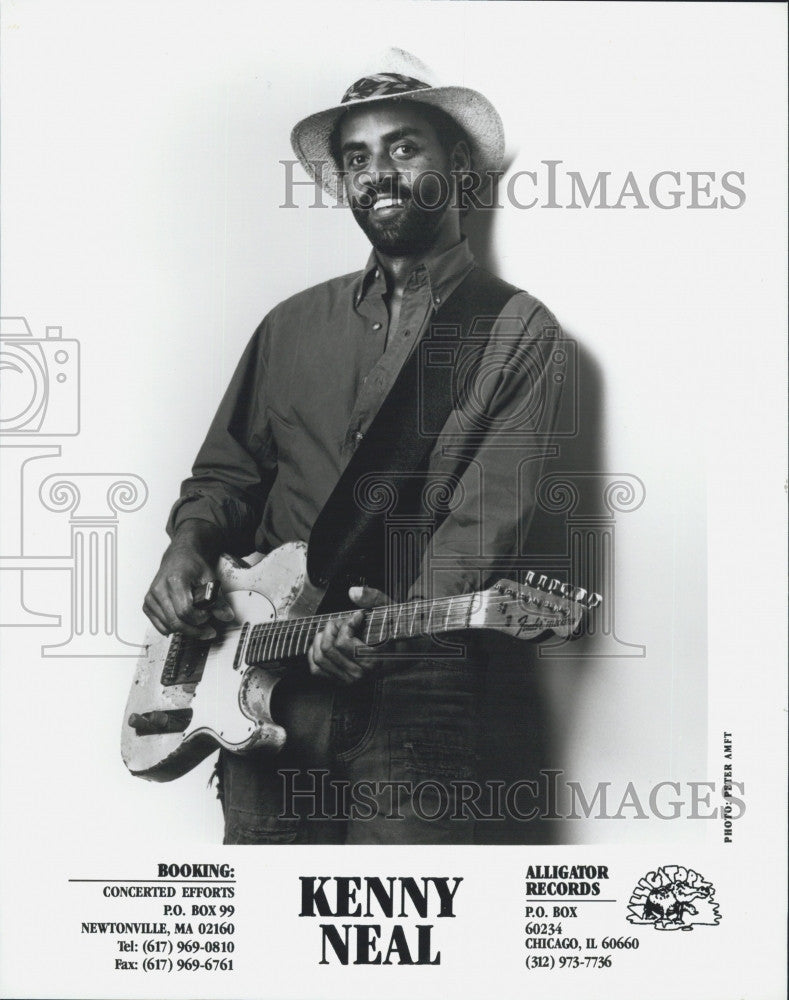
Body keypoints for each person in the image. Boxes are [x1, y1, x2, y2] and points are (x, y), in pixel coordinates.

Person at [143, 48, 563, 844]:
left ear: (459, 165)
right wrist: (186, 547)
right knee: (264, 940)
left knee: (401, 935)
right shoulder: (291, 324)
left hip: (418, 682)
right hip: (259, 676)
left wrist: (388, 620)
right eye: (357, 157)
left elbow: (483, 526)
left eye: (404, 147)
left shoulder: (516, 330)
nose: (379, 172)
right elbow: (226, 474)